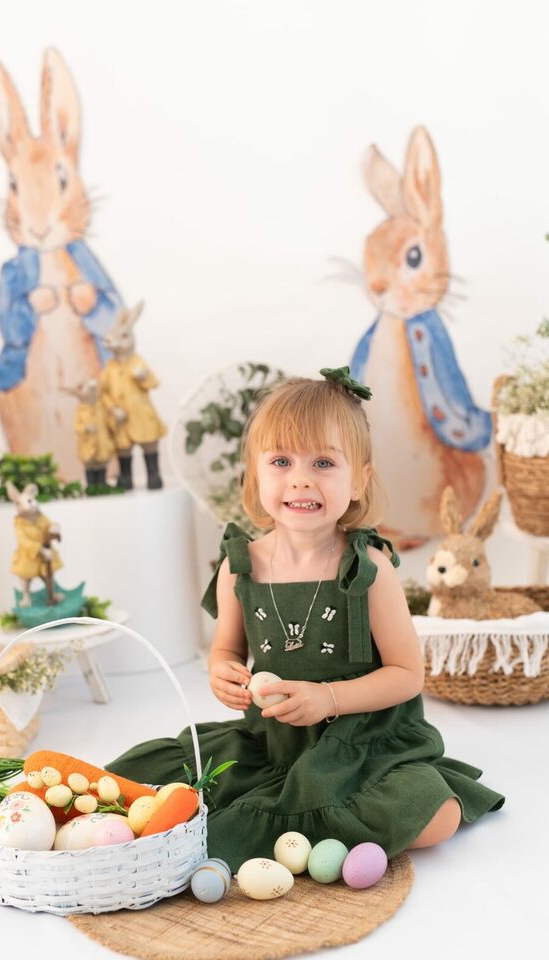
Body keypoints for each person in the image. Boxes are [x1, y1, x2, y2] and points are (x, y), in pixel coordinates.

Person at [107, 367, 504, 871]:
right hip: (274, 740)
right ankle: (309, 825)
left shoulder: (369, 568)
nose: (300, 479)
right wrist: (223, 672)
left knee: (437, 816)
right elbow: (226, 649)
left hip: (362, 742)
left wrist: (328, 699)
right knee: (146, 779)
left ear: (359, 480)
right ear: (255, 475)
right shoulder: (240, 566)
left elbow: (407, 675)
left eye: (323, 462)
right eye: (281, 461)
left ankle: (302, 830)